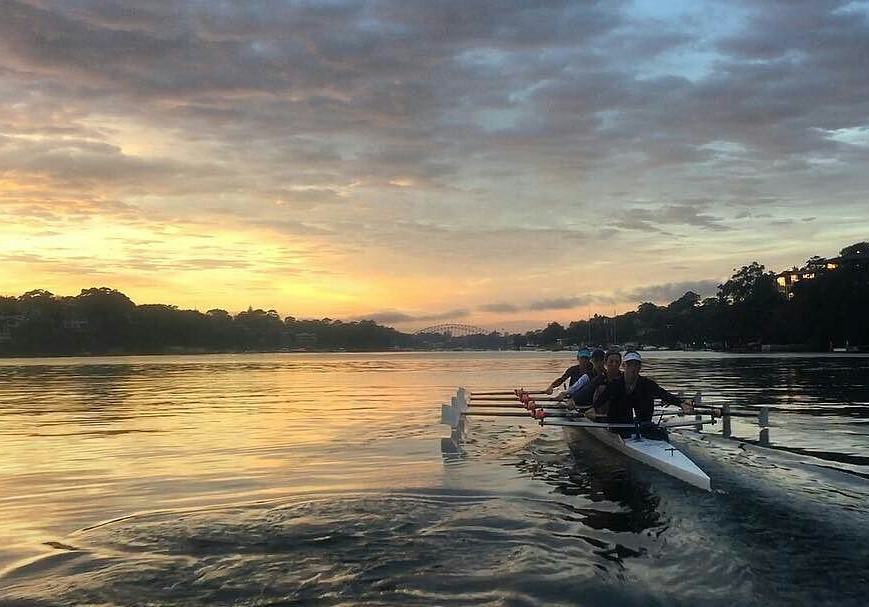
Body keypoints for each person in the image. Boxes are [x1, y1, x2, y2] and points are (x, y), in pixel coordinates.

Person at [593, 350, 693, 435]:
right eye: (630, 364)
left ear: (640, 367)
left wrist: (681, 404)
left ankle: (643, 426)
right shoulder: (615, 384)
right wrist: (593, 410)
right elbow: (601, 400)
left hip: (643, 424)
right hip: (618, 424)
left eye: (636, 365)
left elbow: (664, 394)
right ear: (624, 366)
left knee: (647, 396)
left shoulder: (647, 383)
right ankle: (622, 429)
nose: (633, 368)